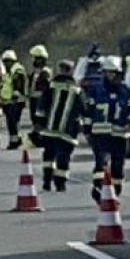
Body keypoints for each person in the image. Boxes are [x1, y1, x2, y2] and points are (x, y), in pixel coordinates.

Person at [86, 62, 130, 202]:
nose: (110, 76)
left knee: (118, 166)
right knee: (101, 162)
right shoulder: (96, 90)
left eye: (112, 73)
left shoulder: (126, 91)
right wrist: (87, 129)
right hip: (100, 133)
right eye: (107, 73)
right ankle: (98, 189)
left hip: (120, 134)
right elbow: (89, 111)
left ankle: (115, 192)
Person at [40, 60, 86, 193]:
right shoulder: (77, 90)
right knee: (64, 157)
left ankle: (47, 181)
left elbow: (42, 105)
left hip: (50, 128)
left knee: (49, 156)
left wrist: (39, 122)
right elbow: (84, 109)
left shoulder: (52, 85)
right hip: (68, 131)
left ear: (60, 70)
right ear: (71, 71)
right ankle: (60, 184)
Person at [1, 49, 29, 148]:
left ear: (12, 61)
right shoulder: (10, 71)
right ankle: (17, 139)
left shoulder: (17, 70)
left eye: (7, 61)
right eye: (5, 62)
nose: (5, 64)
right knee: (12, 121)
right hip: (9, 101)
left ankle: (14, 142)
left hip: (15, 101)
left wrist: (16, 94)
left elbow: (18, 84)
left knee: (13, 121)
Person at [27, 45, 54, 139]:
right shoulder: (35, 72)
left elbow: (47, 86)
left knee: (40, 119)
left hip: (41, 99)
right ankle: (36, 134)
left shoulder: (46, 72)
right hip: (34, 99)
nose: (34, 60)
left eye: (36, 58)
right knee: (34, 118)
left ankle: (41, 136)